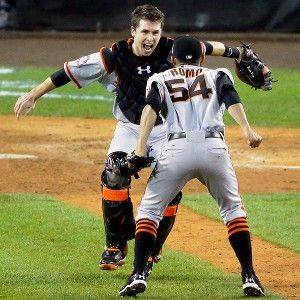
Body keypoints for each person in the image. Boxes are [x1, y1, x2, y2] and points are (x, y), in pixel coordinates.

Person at [14, 5, 271, 276]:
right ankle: (115, 244)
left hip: (167, 129)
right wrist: (34, 94)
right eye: (145, 32)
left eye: (156, 32)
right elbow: (68, 71)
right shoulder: (113, 56)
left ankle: (152, 251)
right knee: (114, 174)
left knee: (170, 189)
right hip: (129, 128)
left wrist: (240, 53)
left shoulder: (173, 50)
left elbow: (208, 47)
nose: (151, 38)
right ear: (133, 31)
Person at [119, 35, 265, 297]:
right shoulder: (217, 74)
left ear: (172, 59)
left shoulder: (160, 78)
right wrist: (248, 130)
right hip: (214, 149)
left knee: (149, 211)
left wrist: (140, 148)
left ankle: (138, 273)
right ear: (202, 58)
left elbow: (151, 108)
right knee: (233, 210)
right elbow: (230, 98)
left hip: (176, 150)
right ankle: (249, 275)